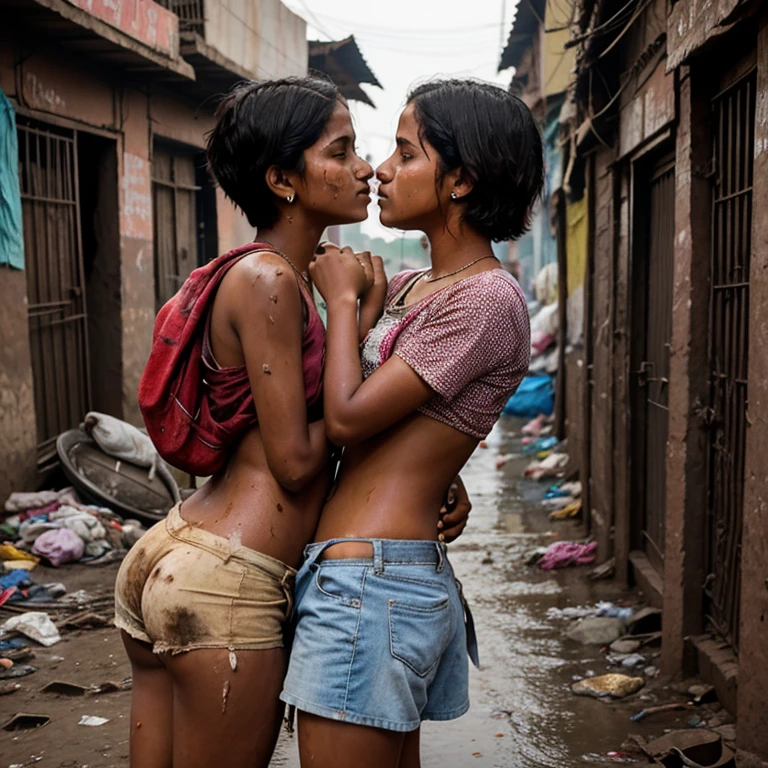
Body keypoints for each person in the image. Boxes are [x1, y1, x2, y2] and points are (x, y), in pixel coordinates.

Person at [113, 76, 469, 768]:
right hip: (230, 580)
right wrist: (348, 320)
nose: (366, 169)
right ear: (281, 179)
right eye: (341, 153)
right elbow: (299, 462)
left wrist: (425, 472)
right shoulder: (274, 281)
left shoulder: (285, 277)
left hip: (185, 553)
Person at [280, 79, 543, 768]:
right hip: (372, 574)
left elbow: (345, 417)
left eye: (405, 153)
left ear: (461, 180)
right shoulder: (414, 288)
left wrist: (342, 305)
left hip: (373, 584)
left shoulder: (487, 297)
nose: (381, 171)